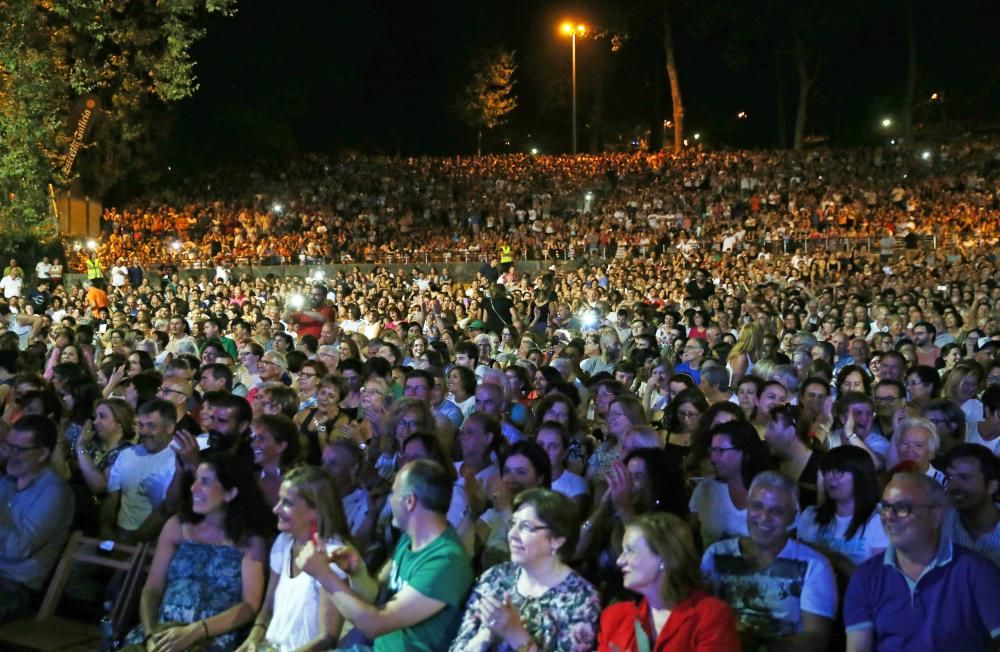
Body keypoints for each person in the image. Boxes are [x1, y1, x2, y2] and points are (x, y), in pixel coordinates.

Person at [296, 459, 474, 652]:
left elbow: (375, 624)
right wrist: (358, 572)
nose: (389, 500)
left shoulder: (445, 562)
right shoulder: (409, 539)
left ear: (409, 501)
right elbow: (378, 599)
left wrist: (323, 574)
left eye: (394, 493)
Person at [127, 452, 271, 651]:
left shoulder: (250, 541)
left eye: (205, 482)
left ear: (230, 493)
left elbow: (249, 606)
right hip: (162, 632)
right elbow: (152, 589)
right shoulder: (177, 526)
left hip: (214, 638)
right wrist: (151, 635)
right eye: (195, 480)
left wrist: (197, 630)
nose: (194, 488)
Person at [844, 472, 1000, 651]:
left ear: (936, 516)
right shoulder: (866, 576)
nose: (889, 516)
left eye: (902, 508)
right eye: (885, 507)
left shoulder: (976, 572)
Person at [240, 466, 376, 651]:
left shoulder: (332, 556)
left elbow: (327, 639)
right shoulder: (283, 542)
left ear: (317, 511)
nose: (276, 509)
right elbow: (268, 607)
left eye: (287, 503)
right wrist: (253, 637)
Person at [450, 488, 600, 651]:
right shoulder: (495, 577)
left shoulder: (581, 598)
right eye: (513, 524)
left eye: (526, 527)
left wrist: (514, 632)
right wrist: (485, 635)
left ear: (556, 540)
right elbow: (459, 646)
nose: (512, 534)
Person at [701, 471, 836, 651]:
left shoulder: (814, 565)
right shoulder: (716, 553)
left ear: (793, 517)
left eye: (777, 511)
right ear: (747, 508)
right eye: (757, 507)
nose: (764, 517)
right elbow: (701, 619)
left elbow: (817, 640)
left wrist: (759, 646)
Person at [599, 512, 740, 652]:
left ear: (663, 556)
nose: (620, 561)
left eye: (630, 550)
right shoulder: (614, 618)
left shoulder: (710, 616)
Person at [0, 416, 75, 622]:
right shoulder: (6, 481)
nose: (10, 455)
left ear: (42, 454)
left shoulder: (55, 493)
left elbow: (18, 549)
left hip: (14, 585)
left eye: (19, 450)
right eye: (8, 446)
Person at [797, 445, 888, 574]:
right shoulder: (810, 515)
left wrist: (837, 561)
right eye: (827, 471)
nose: (830, 477)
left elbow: (879, 581)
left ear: (860, 475)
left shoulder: (879, 521)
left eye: (838, 471)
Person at [689, 420, 770, 548]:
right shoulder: (706, 488)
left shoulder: (772, 493)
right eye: (712, 450)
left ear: (746, 453)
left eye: (720, 451)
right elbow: (690, 533)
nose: (713, 458)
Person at [944, 443, 1000, 567]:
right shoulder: (940, 524)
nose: (953, 487)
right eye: (950, 477)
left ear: (992, 486)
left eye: (964, 478)